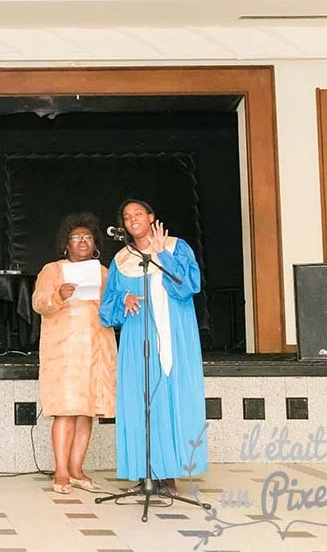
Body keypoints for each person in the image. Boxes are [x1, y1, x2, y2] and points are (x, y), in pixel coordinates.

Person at [99, 199, 207, 495]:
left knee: (169, 398)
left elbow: (188, 286)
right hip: (137, 338)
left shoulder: (174, 246)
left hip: (174, 333)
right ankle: (144, 472)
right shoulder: (122, 259)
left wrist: (162, 255)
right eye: (126, 216)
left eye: (138, 214)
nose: (132, 219)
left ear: (151, 217)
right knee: (140, 401)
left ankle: (169, 473)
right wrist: (123, 299)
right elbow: (106, 309)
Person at [32, 213, 117, 495]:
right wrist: (59, 295)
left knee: (86, 413)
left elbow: (113, 308)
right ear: (66, 244)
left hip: (96, 349)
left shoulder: (104, 273)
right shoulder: (53, 270)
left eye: (88, 237)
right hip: (65, 351)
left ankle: (77, 468)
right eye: (76, 238)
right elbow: (38, 303)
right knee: (66, 411)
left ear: (95, 245)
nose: (82, 241)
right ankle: (61, 471)